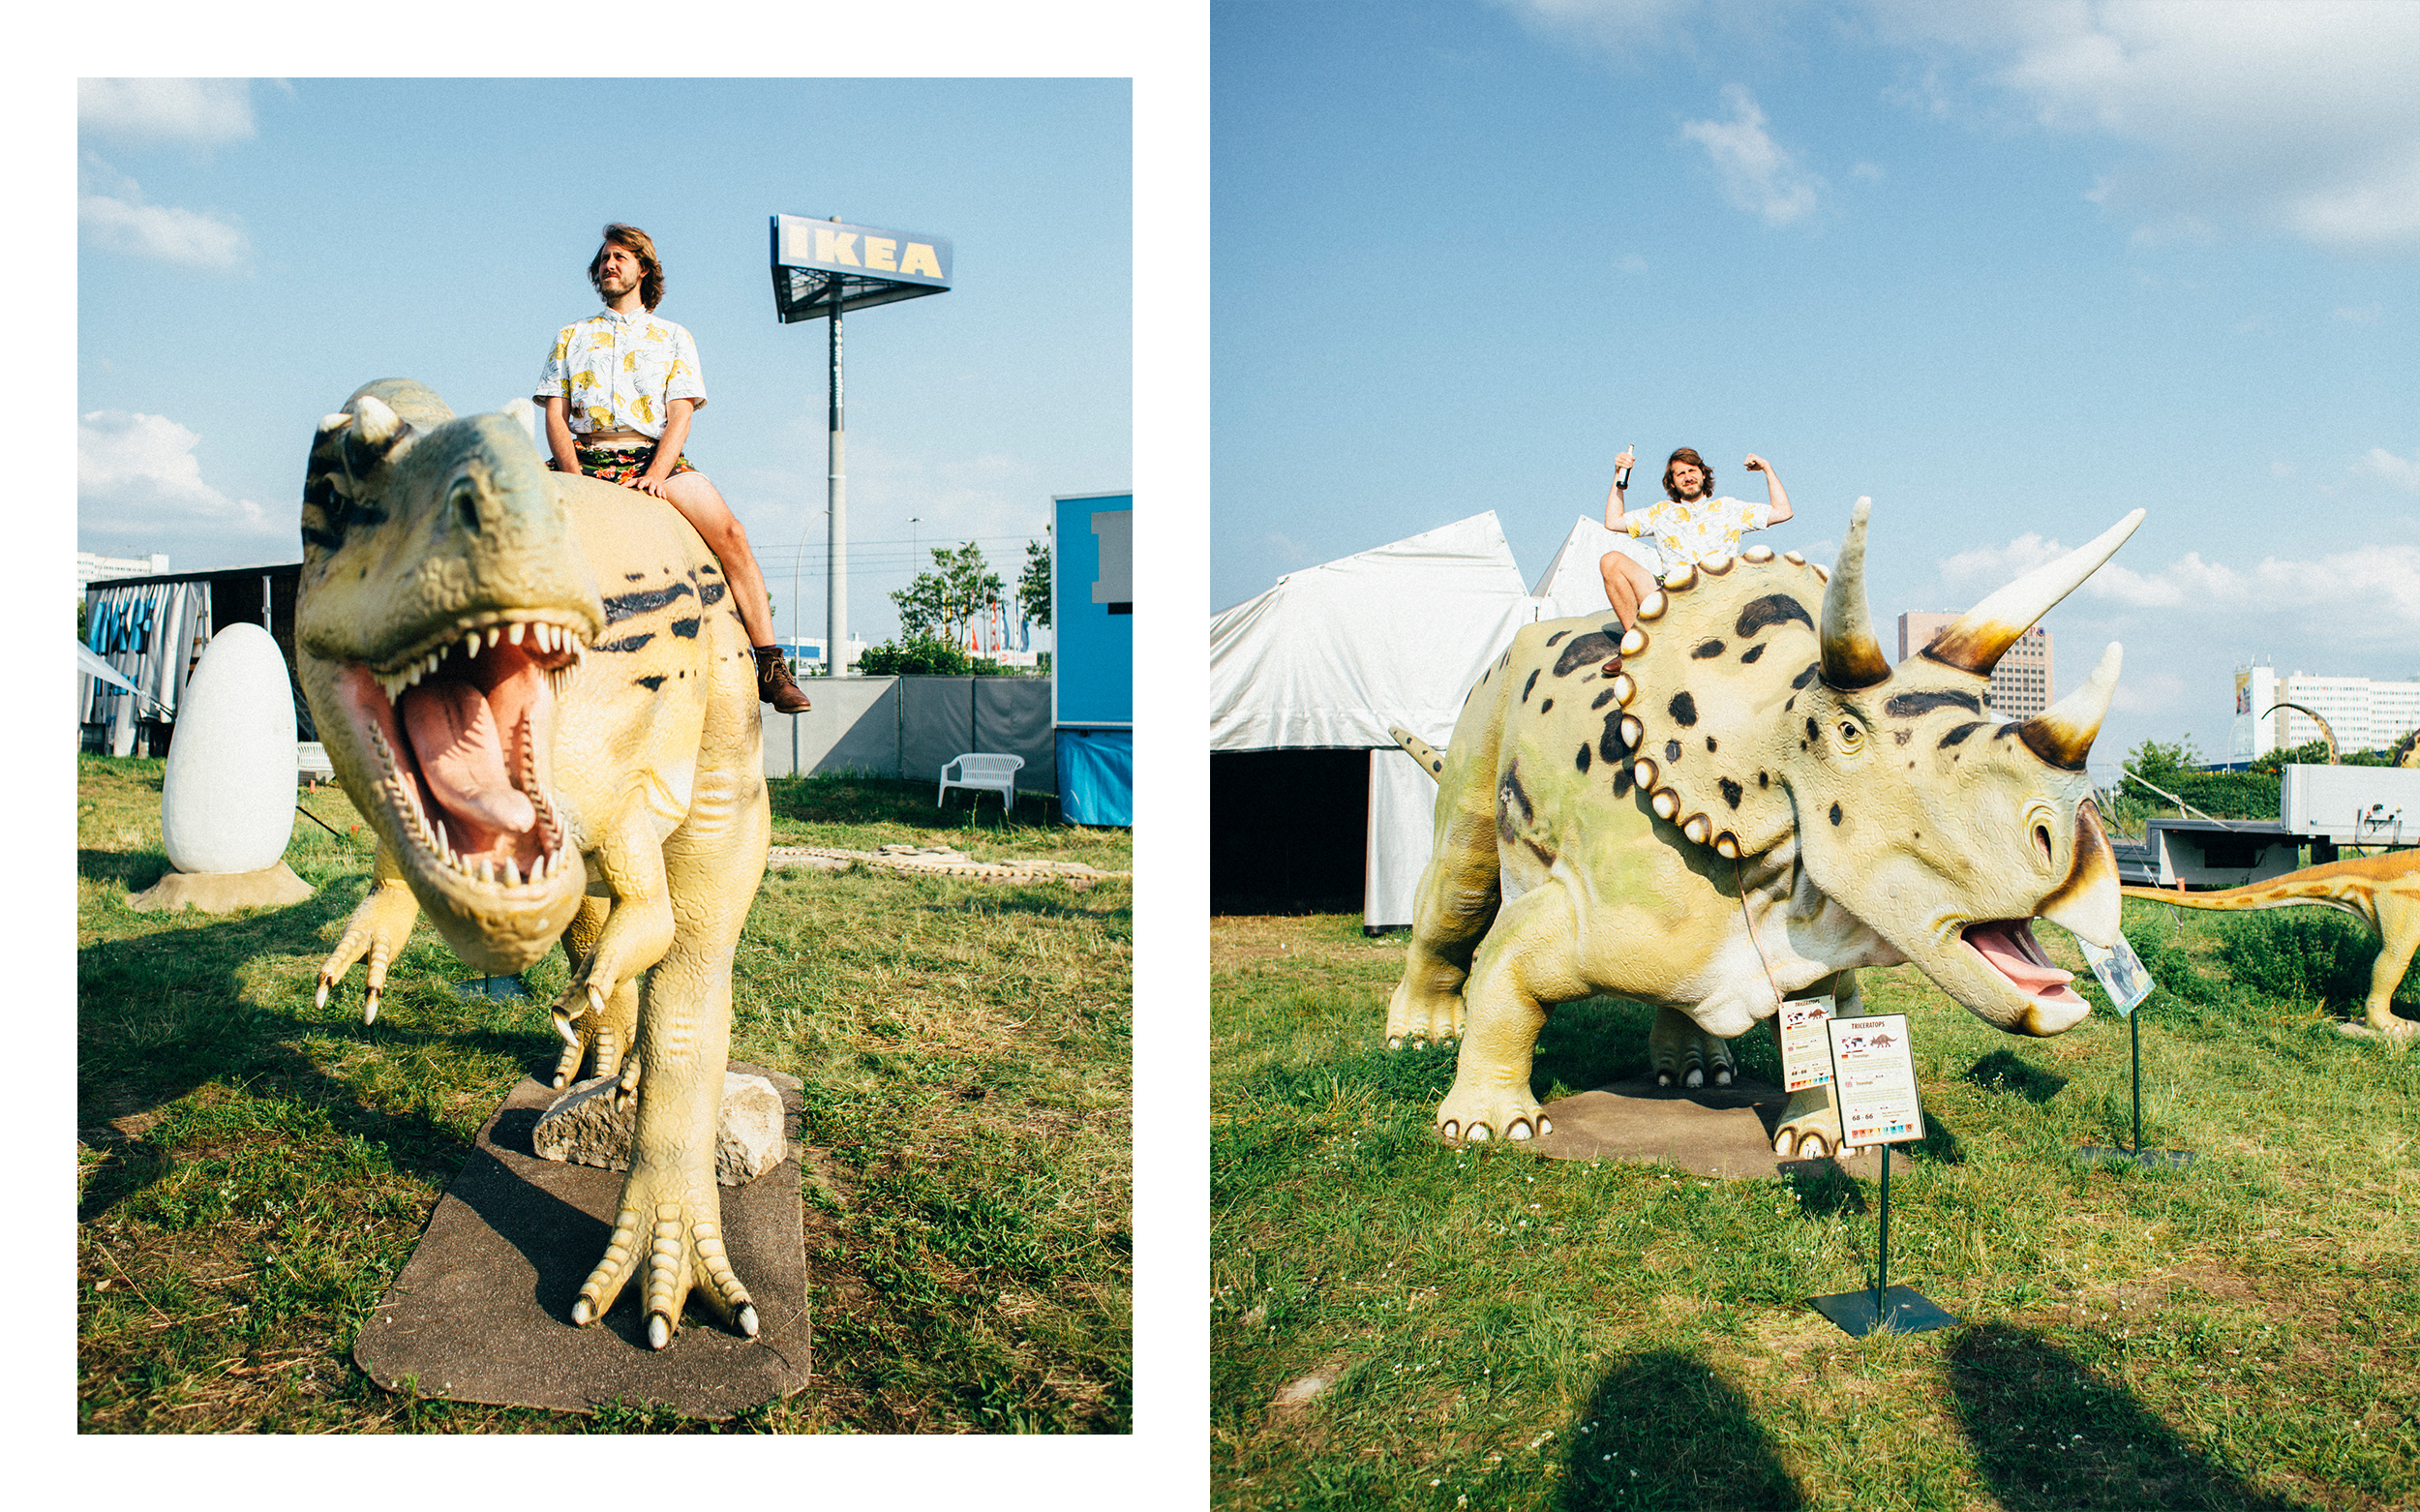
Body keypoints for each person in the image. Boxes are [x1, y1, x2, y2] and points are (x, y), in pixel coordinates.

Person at [536, 224, 811, 713]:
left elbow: (680, 412)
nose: (609, 265)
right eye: (603, 259)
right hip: (582, 457)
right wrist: (572, 476)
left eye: (620, 256)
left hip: (652, 457)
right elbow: (555, 413)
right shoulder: (570, 336)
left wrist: (658, 474)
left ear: (643, 267)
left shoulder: (674, 336)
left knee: (732, 532)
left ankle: (770, 666)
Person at [1598, 446, 1794, 627]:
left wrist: (1767, 468)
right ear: (1672, 482)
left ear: (1703, 474)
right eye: (1680, 473)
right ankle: (1634, 643)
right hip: (1673, 601)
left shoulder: (1728, 508)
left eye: (1692, 470)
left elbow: (1783, 511)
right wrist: (1619, 474)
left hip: (1720, 598)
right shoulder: (1661, 512)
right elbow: (1613, 522)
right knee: (1611, 561)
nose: (1687, 477)